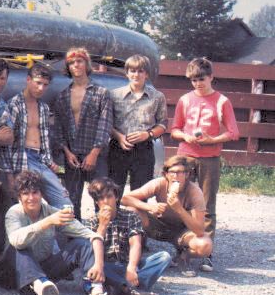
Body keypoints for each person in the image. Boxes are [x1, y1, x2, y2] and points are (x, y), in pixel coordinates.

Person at [4, 170, 116, 295]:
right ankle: (42, 287)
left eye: (35, 192)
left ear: (42, 194)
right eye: (26, 193)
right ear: (19, 196)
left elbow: (90, 235)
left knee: (81, 244)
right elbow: (16, 240)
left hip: (45, 268)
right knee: (19, 247)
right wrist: (48, 222)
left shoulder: (52, 212)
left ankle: (96, 291)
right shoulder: (14, 213)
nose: (31, 198)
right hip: (18, 273)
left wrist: (99, 265)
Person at [170, 57, 239, 272]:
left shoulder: (222, 101)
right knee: (180, 202)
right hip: (186, 155)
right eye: (193, 80)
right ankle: (182, 250)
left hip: (210, 158)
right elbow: (174, 129)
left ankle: (206, 253)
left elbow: (233, 132)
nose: (198, 84)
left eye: (201, 79)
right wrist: (185, 136)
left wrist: (212, 140)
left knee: (207, 205)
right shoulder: (185, 99)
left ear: (211, 77)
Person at [121, 155, 213, 277]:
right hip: (157, 225)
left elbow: (200, 230)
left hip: (182, 231)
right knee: (132, 210)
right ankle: (133, 253)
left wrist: (179, 209)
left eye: (180, 172)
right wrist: (150, 207)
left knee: (205, 246)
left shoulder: (194, 192)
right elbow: (125, 199)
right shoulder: (159, 184)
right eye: (172, 172)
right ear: (166, 174)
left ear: (187, 174)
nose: (176, 176)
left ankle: (183, 256)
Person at [87, 177, 170, 295]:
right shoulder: (92, 221)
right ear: (97, 202)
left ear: (116, 197)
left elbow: (135, 243)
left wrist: (131, 267)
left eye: (109, 196)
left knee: (164, 257)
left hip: (128, 264)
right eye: (101, 199)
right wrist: (102, 226)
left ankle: (118, 287)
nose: (106, 201)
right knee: (94, 267)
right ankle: (131, 289)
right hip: (107, 266)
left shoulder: (130, 216)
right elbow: (92, 250)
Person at [0, 63, 72, 209]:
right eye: (38, 83)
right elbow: (5, 144)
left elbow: (44, 140)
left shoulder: (44, 108)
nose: (41, 88)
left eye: (45, 85)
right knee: (25, 207)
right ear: (28, 80)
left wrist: (50, 162)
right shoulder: (14, 104)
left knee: (65, 204)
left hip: (41, 161)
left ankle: (60, 231)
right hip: (22, 160)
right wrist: (9, 174)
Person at [52, 47, 112, 220]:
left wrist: (94, 153)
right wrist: (66, 152)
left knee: (101, 196)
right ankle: (75, 239)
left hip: (96, 155)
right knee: (72, 199)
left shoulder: (101, 93)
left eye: (79, 61)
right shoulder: (62, 96)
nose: (75, 65)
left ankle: (104, 235)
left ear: (87, 64)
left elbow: (105, 125)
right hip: (72, 157)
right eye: (71, 63)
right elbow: (58, 128)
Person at [108, 55, 168, 198]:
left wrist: (148, 134)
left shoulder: (157, 96)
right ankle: (113, 219)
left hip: (144, 148)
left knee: (141, 190)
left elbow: (163, 123)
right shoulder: (114, 95)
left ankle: (138, 219)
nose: (136, 75)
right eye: (132, 71)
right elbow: (106, 123)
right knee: (113, 188)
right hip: (119, 147)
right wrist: (119, 137)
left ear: (146, 74)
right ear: (127, 72)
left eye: (140, 71)